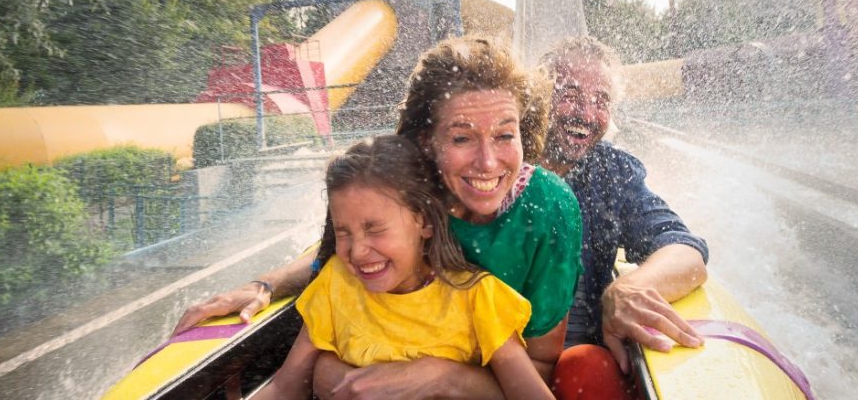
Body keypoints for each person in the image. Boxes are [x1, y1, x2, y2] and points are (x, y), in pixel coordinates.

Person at [173, 37, 583, 399]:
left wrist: (437, 377)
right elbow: (351, 254)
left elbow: (539, 370)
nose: (488, 162)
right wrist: (268, 284)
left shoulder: (543, 214)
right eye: (461, 138)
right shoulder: (405, 192)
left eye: (505, 134)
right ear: (426, 142)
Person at [253, 136, 552, 400]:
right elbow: (285, 389)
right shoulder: (336, 282)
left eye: (374, 229)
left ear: (424, 221)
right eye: (343, 232)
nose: (357, 251)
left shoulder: (479, 298)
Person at [539, 36, 709, 400]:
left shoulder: (610, 173)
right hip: (496, 356)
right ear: (539, 96)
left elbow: (685, 252)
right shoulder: (499, 161)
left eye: (600, 101)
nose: (586, 115)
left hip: (575, 368)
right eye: (570, 94)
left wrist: (627, 289)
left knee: (586, 368)